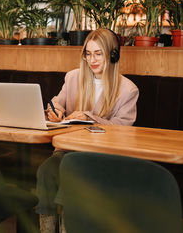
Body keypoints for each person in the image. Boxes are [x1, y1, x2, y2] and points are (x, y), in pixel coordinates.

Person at [36, 28, 139, 233]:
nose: (92, 60)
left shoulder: (128, 89)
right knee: (45, 171)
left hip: (102, 157)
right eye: (88, 54)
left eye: (98, 54)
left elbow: (123, 129)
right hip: (67, 150)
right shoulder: (73, 77)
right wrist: (55, 110)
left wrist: (88, 117)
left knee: (71, 174)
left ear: (112, 54)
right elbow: (57, 102)